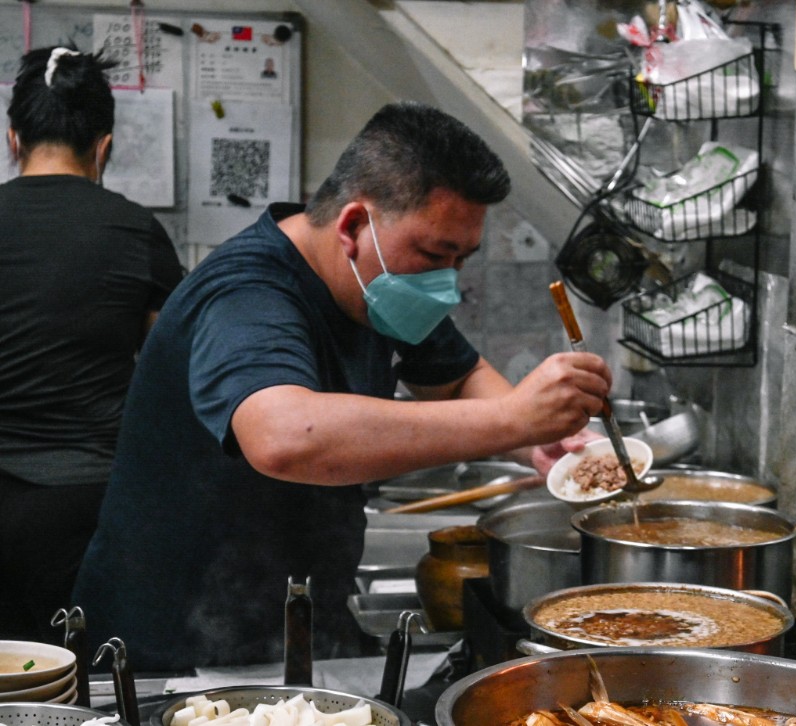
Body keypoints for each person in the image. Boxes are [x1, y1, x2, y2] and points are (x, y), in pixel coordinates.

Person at [72, 101, 611, 671]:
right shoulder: (246, 296)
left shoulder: (380, 287)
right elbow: (285, 437)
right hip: (169, 649)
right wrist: (512, 419)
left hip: (290, 623)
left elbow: (456, 380)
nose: (446, 283)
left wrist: (536, 441)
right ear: (354, 225)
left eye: (461, 259)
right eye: (434, 255)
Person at [0, 46, 186, 643]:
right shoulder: (137, 231)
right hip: (88, 506)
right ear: (104, 145)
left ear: (12, 139)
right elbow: (174, 373)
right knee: (81, 683)